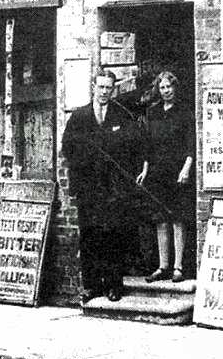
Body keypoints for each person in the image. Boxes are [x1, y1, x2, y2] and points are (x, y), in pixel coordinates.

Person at [62, 68, 148, 303]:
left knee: (113, 237)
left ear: (113, 89)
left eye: (108, 88)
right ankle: (91, 286)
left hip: (113, 190)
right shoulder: (79, 116)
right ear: (94, 87)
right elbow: (67, 149)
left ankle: (113, 285)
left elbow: (134, 146)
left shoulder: (121, 115)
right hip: (89, 189)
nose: (104, 92)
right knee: (90, 238)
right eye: (100, 87)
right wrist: (87, 158)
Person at [137, 71, 194, 284]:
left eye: (169, 87)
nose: (166, 91)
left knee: (178, 219)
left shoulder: (184, 112)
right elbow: (148, 145)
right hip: (158, 172)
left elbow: (190, 144)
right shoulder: (153, 112)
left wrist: (186, 168)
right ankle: (163, 266)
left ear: (175, 87)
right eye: (162, 88)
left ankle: (178, 266)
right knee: (160, 219)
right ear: (158, 90)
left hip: (178, 171)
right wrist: (145, 169)